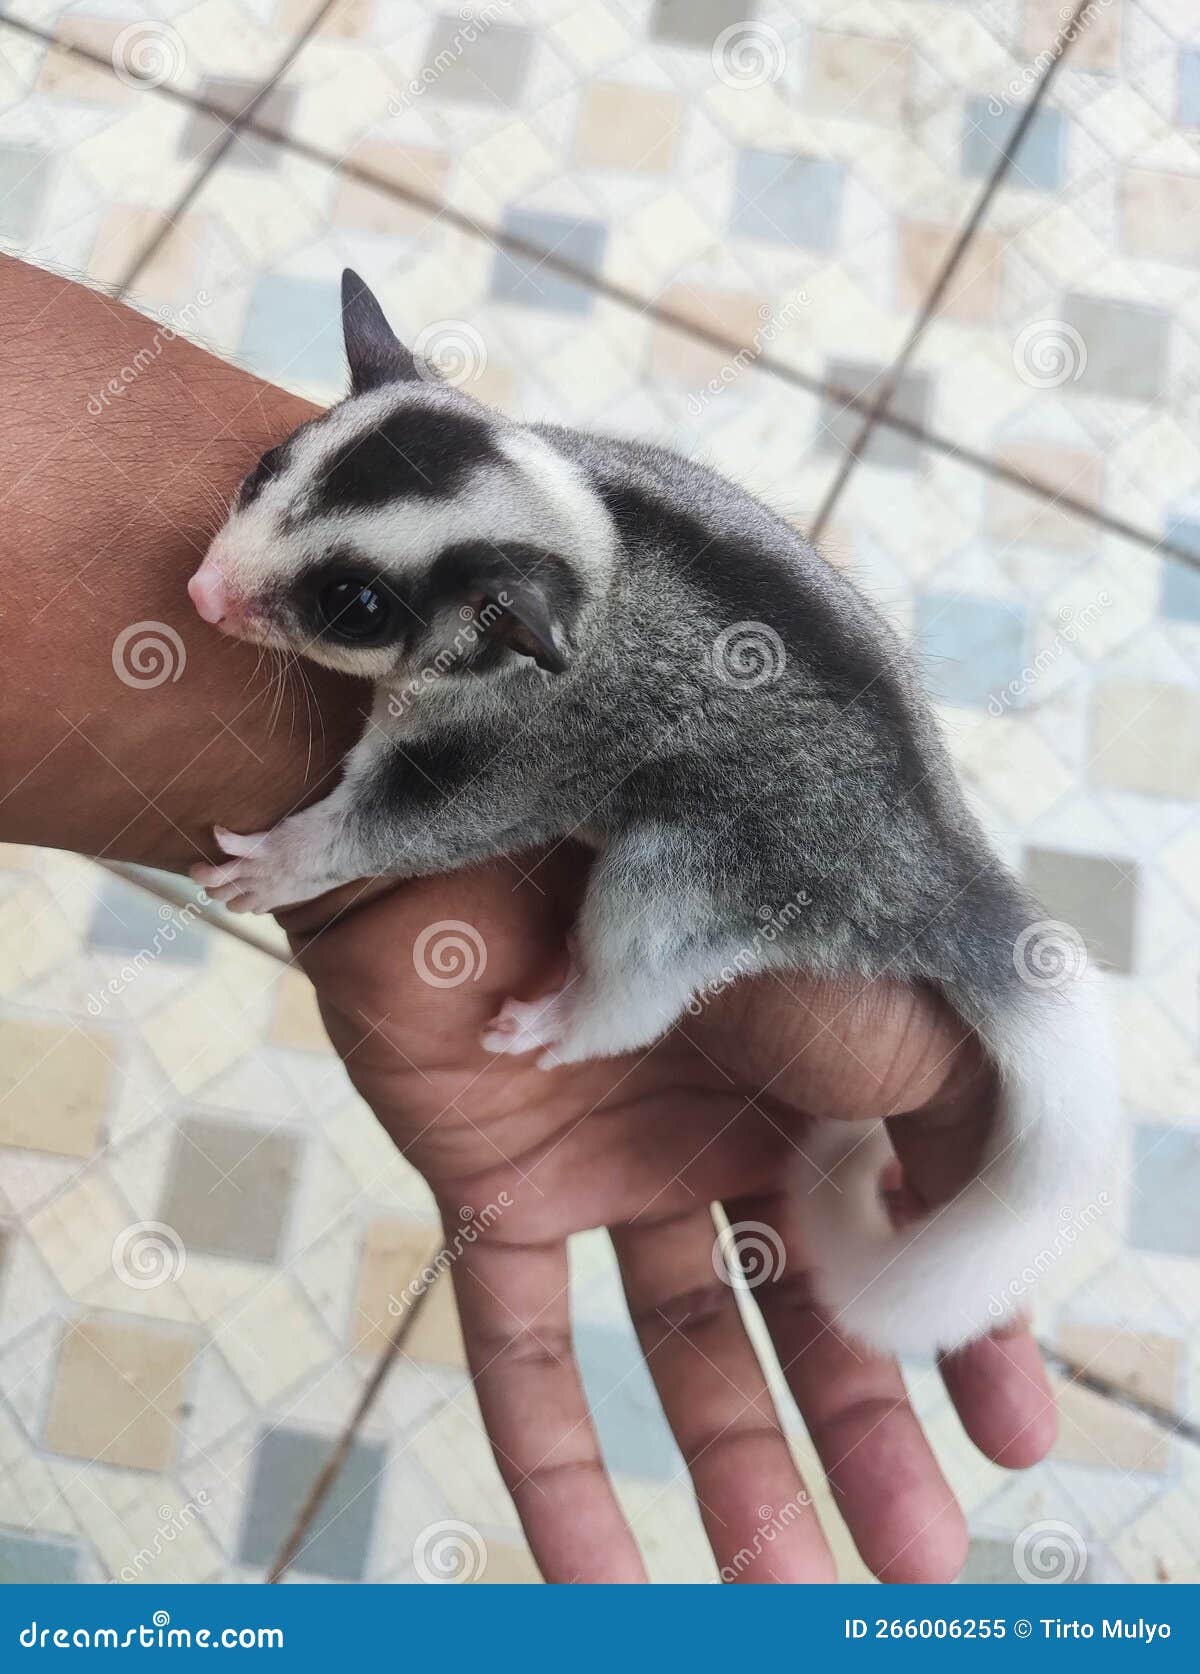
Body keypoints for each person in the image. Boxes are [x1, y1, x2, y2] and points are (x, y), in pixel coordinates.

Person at [0, 254, 1055, 1584]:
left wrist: (312, 850)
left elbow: (436, 804)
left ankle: (589, 1015)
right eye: (260, 488)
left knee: (644, 906)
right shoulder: (514, 523)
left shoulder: (529, 657)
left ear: (504, 627)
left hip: (777, 844)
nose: (215, 594)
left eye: (343, 603)